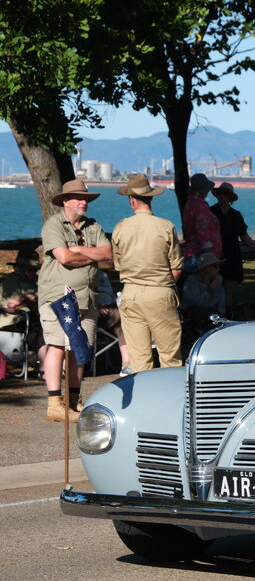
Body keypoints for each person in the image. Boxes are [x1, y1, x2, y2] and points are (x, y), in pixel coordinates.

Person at [38, 179, 112, 421]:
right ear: (66, 202)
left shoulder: (93, 226)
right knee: (58, 345)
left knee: (80, 350)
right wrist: (89, 256)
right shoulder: (53, 225)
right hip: (59, 297)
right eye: (79, 198)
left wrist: (79, 251)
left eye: (86, 199)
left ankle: (73, 399)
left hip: (87, 298)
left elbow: (108, 254)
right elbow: (64, 257)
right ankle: (54, 403)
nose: (84, 202)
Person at [111, 174, 184, 373]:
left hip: (131, 293)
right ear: (151, 198)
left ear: (131, 200)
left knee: (139, 361)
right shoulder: (165, 227)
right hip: (160, 291)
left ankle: (144, 401)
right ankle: (171, 400)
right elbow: (176, 267)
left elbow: (118, 265)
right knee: (170, 357)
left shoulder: (120, 228)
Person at [209, 181, 255, 312]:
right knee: (213, 288)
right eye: (219, 192)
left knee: (229, 290)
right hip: (214, 255)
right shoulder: (210, 212)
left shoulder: (236, 215)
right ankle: (213, 315)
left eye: (225, 193)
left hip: (232, 254)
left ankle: (228, 314)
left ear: (230, 197)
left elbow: (244, 235)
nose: (222, 195)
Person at [181, 172, 222, 271]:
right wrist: (209, 252)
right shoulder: (200, 205)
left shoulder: (190, 203)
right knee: (204, 282)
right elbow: (202, 229)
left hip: (191, 251)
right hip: (201, 254)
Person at [181, 253, 227, 338]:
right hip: (194, 318)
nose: (218, 269)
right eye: (215, 266)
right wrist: (212, 288)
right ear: (206, 268)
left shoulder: (218, 283)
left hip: (213, 318)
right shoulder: (192, 281)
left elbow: (221, 307)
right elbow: (197, 302)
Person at [96, 270, 130, 376]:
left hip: (111, 311)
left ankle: (127, 365)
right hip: (94, 313)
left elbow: (111, 295)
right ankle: (149, 331)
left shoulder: (102, 274)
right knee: (128, 313)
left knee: (123, 328)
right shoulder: (82, 273)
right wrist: (96, 305)